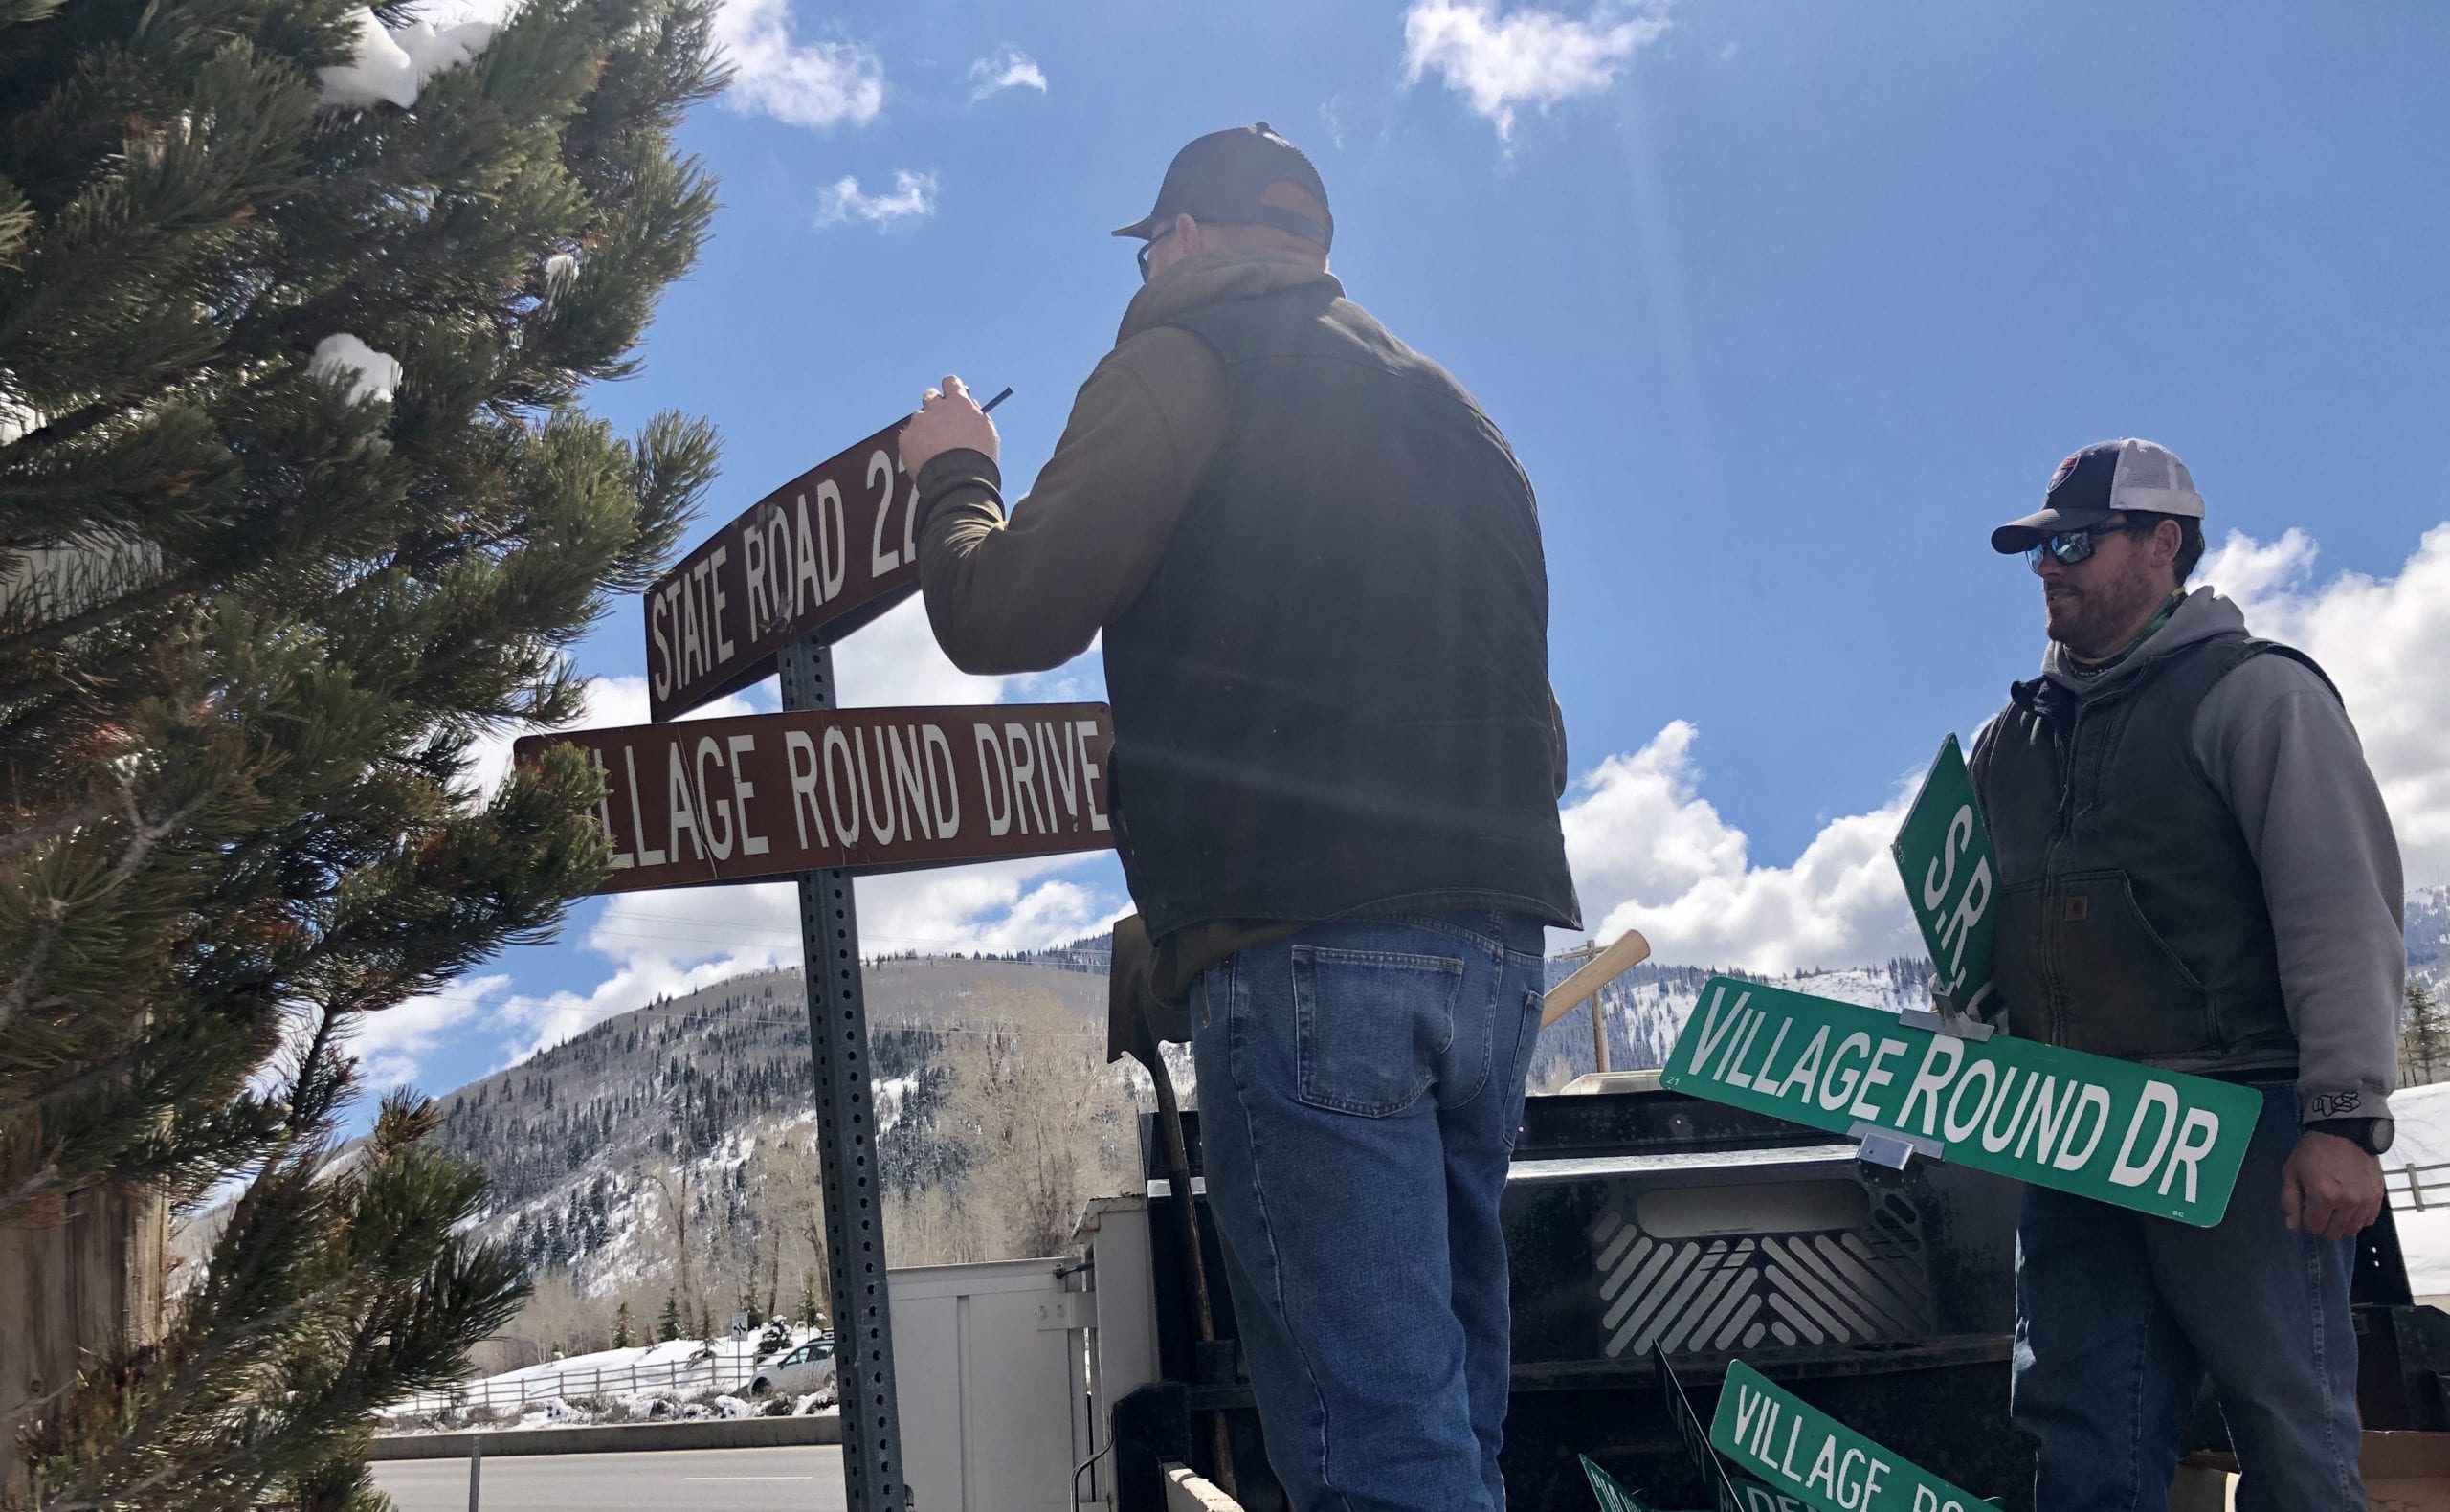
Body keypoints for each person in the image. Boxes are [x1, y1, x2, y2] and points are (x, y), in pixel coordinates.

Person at [896, 123, 1579, 1512]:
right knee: (1449, 1423)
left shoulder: (1184, 357)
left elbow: (1002, 610)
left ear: (1190, 240)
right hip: (1497, 952)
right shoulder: (1461, 417)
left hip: (1308, 952)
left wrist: (952, 474)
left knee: (1369, 1450)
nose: (1148, 267)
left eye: (1151, 246)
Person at [1969, 437, 2402, 1512]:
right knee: (2080, 1432)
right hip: (2069, 1124)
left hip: (2240, 1115)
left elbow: (2338, 907)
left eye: (2072, 540)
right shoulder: (2003, 741)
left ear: (2162, 543)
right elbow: (1974, 937)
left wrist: (2342, 1117)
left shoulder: (2256, 696)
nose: (2047, 566)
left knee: (2288, 1428)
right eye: (2035, 548)